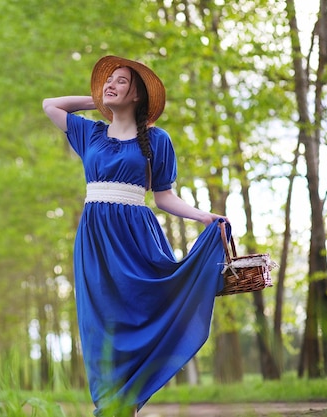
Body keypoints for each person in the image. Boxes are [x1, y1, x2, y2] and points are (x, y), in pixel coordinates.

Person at [42, 55, 230, 416]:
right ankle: (112, 404)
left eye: (121, 82)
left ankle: (129, 399)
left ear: (137, 96)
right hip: (95, 240)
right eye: (107, 80)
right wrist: (98, 98)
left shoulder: (157, 141)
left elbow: (164, 197)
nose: (111, 84)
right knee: (100, 322)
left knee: (141, 310)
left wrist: (203, 216)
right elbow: (50, 105)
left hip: (136, 237)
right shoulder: (90, 132)